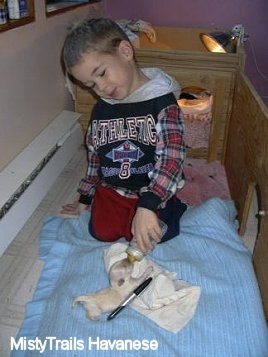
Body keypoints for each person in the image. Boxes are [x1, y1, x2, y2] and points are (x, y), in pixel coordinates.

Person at [61, 17, 186, 254]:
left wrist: (149, 204)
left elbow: (172, 157)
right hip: (114, 190)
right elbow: (95, 156)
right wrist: (84, 198)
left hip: (153, 190)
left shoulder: (162, 102)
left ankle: (173, 206)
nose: (101, 88)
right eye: (91, 84)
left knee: (156, 236)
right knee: (100, 232)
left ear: (126, 51)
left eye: (102, 73)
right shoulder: (102, 108)